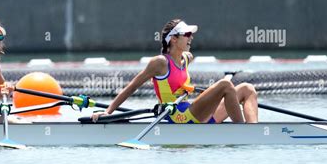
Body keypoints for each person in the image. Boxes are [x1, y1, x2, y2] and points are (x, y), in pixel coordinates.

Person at [92, 18, 258, 124]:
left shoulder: (186, 58)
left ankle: (254, 133)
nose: (191, 37)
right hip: (178, 117)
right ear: (173, 38)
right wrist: (108, 112)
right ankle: (241, 133)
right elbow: (132, 87)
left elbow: (187, 58)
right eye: (186, 34)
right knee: (225, 85)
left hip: (192, 112)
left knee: (247, 89)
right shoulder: (160, 63)